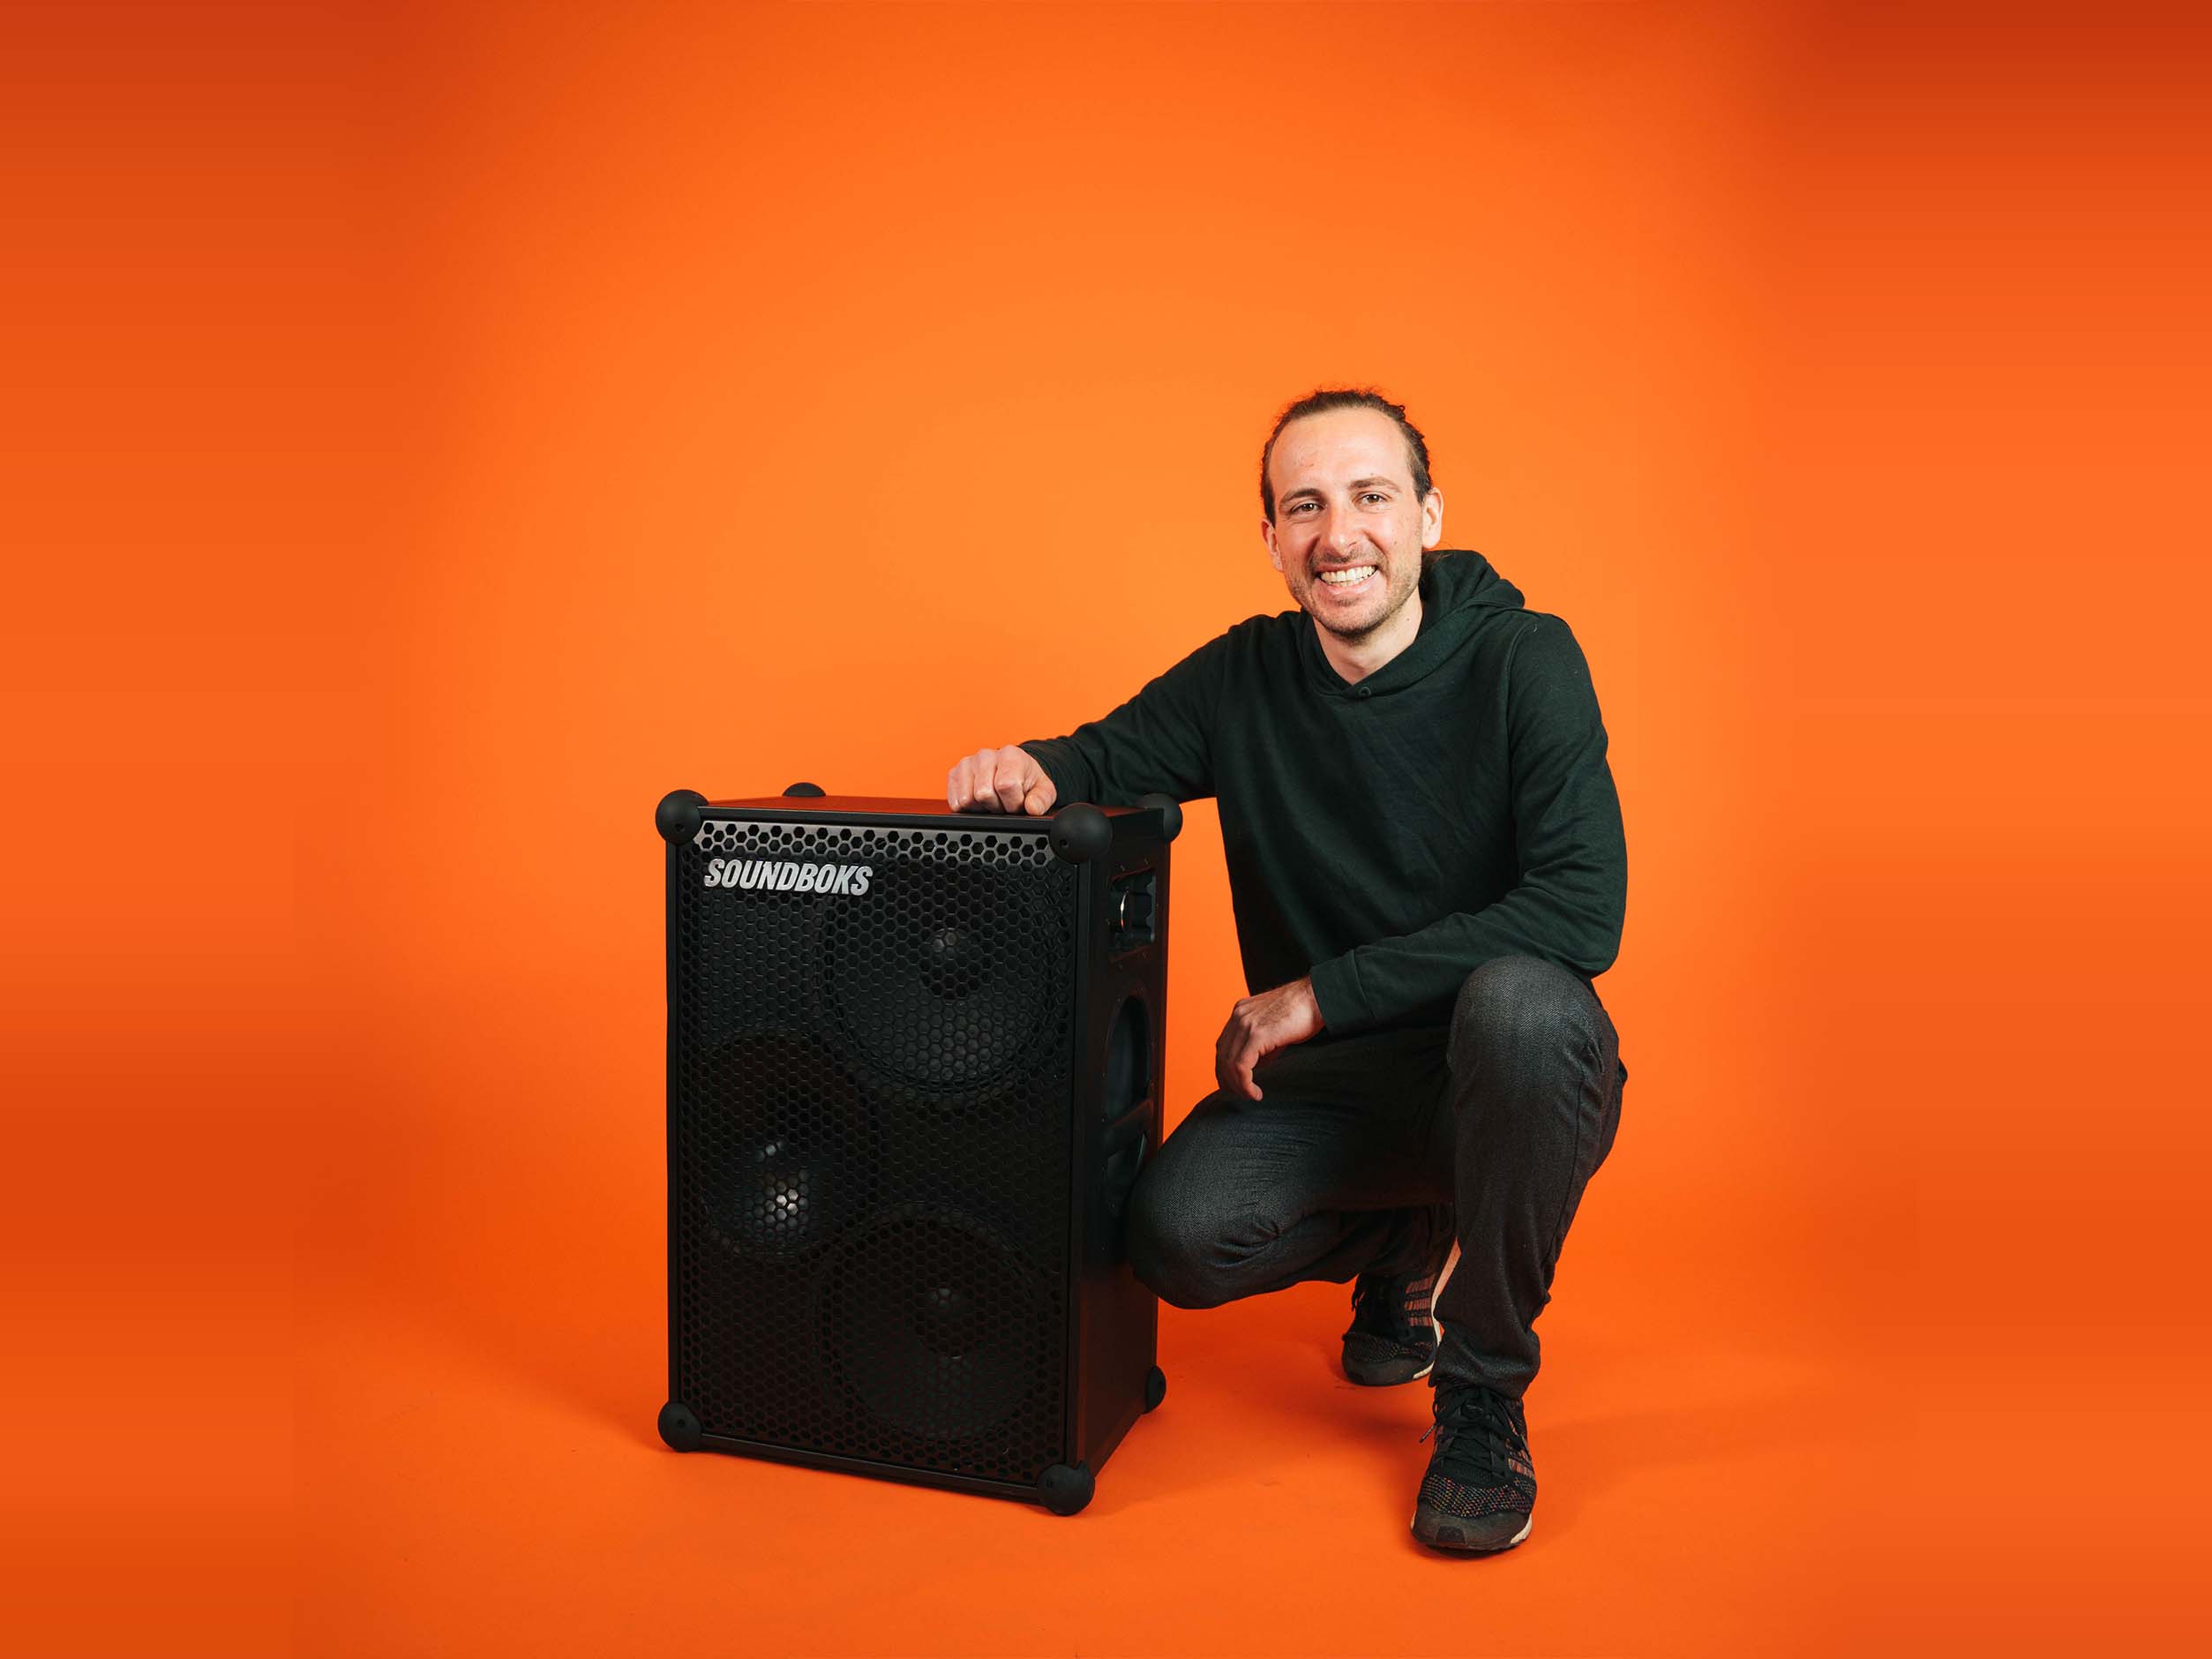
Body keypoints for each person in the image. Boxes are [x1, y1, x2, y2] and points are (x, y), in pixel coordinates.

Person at [945, 388, 1628, 1554]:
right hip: (1339, 1102)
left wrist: (1322, 993)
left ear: (1427, 514)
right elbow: (1101, 759)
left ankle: (1481, 1394)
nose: (1337, 534)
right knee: (1174, 1238)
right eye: (1303, 507)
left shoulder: (1525, 658)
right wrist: (1024, 768)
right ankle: (1407, 1240)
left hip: (1501, 1082)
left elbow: (1579, 910)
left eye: (1370, 497)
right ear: (1271, 539)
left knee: (1523, 1003)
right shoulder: (1245, 678)